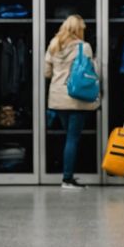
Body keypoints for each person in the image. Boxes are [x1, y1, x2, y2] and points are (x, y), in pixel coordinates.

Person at [44, 15, 99, 190]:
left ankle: (67, 176)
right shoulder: (85, 47)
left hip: (58, 98)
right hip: (77, 97)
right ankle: (67, 179)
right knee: (73, 138)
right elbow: (92, 71)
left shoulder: (54, 44)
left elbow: (46, 72)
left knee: (68, 137)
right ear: (79, 29)